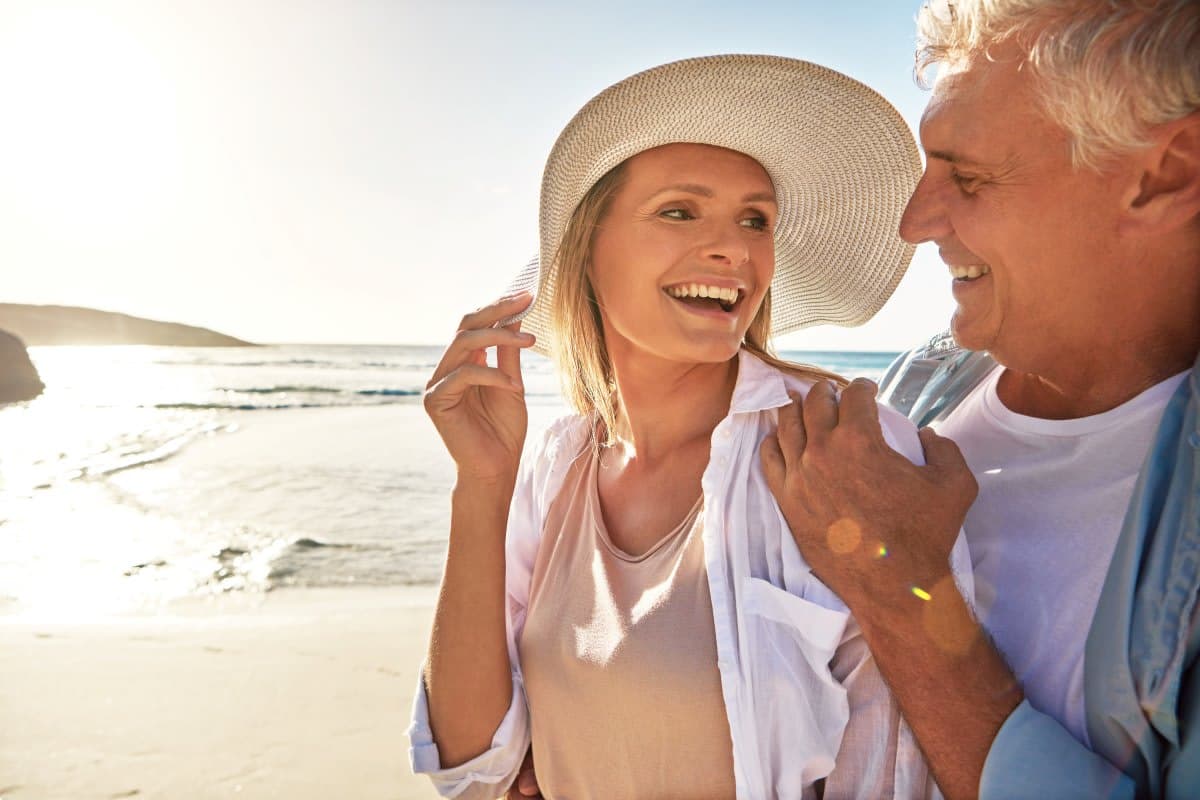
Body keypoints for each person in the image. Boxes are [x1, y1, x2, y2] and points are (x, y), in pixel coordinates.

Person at [408, 55, 974, 799]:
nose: (733, 250)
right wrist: (481, 485)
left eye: (755, 220)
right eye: (680, 211)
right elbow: (472, 765)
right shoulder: (558, 463)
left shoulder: (845, 452)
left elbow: (901, 771)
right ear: (588, 246)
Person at [761, 1, 1200, 798]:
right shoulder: (920, 384)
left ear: (1166, 173)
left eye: (966, 177)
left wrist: (898, 589)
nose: (913, 222)